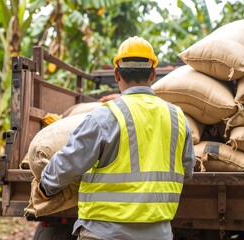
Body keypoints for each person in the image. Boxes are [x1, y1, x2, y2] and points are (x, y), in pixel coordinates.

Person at [38, 36, 196, 240]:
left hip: (103, 233)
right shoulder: (178, 118)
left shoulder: (105, 116)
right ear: (153, 74)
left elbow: (70, 161)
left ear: (116, 73)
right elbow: (187, 171)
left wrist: (46, 187)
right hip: (158, 233)